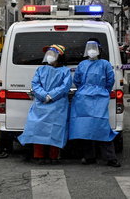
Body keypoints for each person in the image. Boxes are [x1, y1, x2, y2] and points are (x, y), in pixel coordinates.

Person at [69, 38, 121, 167]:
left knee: (102, 127)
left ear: (99, 50)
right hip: (85, 99)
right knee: (86, 128)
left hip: (98, 98)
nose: (92, 51)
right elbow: (77, 80)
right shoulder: (82, 64)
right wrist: (92, 90)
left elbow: (110, 80)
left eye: (94, 48)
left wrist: (101, 91)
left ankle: (110, 158)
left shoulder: (105, 64)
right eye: (89, 48)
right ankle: (89, 156)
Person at [18, 44, 72, 164]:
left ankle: (54, 156)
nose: (49, 57)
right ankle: (39, 156)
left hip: (57, 105)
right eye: (48, 54)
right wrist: (44, 96)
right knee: (37, 129)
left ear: (60, 57)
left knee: (56, 131)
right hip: (42, 104)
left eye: (52, 54)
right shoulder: (40, 69)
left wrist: (51, 96)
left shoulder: (65, 71)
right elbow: (35, 84)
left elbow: (65, 87)